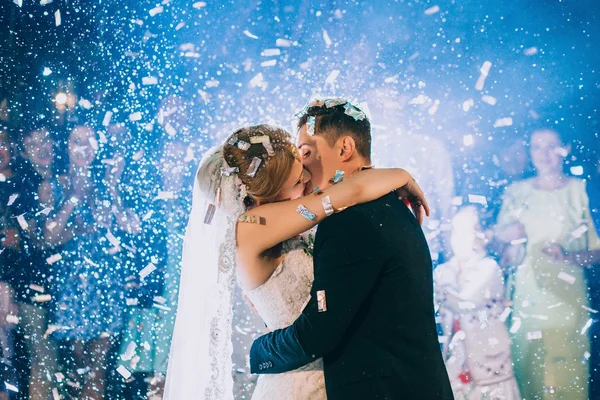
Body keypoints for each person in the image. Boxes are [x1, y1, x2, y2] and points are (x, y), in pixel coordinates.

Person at [164, 116, 434, 399]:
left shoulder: (285, 222)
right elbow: (348, 191)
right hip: (296, 382)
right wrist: (404, 175)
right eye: (297, 179)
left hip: (330, 374)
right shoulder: (250, 226)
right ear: (264, 197)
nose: (307, 179)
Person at [249, 99, 453, 400]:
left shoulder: (349, 220)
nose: (301, 166)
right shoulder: (390, 205)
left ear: (344, 149)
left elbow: (319, 331)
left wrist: (258, 351)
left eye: (306, 151)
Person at [494, 128, 600, 399]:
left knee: (567, 373)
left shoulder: (581, 190)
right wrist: (506, 238)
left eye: (552, 146)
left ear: (564, 149)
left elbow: (597, 249)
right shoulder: (516, 192)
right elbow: (500, 250)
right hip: (527, 296)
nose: (545, 154)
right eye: (537, 147)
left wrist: (568, 257)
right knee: (530, 371)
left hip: (567, 299)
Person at [46, 125, 128, 399]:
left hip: (104, 278)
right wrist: (73, 200)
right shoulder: (54, 184)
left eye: (89, 141)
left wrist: (113, 187)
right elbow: (49, 237)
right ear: (66, 146)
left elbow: (126, 225)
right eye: (76, 140)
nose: (83, 147)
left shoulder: (105, 184)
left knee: (99, 366)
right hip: (70, 282)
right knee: (74, 366)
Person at [435, 206, 520, 399]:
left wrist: (430, 286)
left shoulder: (488, 268)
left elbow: (465, 302)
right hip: (455, 361)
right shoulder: (443, 270)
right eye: (455, 231)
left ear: (482, 236)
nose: (459, 238)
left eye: (466, 231)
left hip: (489, 363)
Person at [16, 127, 63, 400]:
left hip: (62, 284)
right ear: (24, 152)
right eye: (33, 144)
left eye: (46, 139)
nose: (43, 147)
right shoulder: (23, 186)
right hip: (33, 286)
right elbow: (39, 240)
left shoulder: (61, 179)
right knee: (43, 360)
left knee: (57, 362)